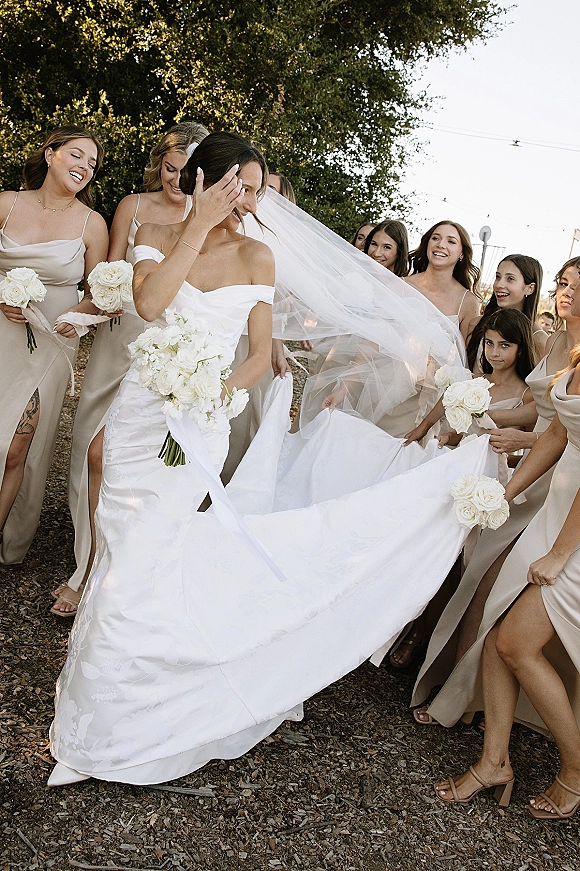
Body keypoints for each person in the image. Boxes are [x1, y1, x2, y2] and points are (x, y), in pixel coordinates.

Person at [49, 132, 497, 787]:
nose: (249, 200)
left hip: (197, 424)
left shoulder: (260, 257)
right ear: (204, 182)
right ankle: (99, 714)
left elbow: (258, 352)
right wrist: (197, 228)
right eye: (239, 187)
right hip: (143, 413)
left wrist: (214, 393)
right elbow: (149, 304)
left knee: (150, 552)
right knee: (120, 541)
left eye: (256, 190)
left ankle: (117, 722)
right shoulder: (158, 236)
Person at [434, 267, 580, 817]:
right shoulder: (574, 357)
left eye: (578, 281)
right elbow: (561, 436)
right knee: (499, 633)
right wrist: (503, 494)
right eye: (563, 281)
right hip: (556, 508)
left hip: (575, 529)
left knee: (517, 643)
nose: (566, 289)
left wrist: (561, 552)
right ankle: (495, 760)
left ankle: (575, 771)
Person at [51, 122, 209, 616]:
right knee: (87, 443)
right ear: (158, 164)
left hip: (171, 346)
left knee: (134, 456)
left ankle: (101, 572)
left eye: (186, 172)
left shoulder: (212, 218)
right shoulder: (133, 207)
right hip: (121, 336)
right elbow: (110, 271)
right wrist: (87, 309)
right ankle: (85, 550)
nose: (175, 180)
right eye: (168, 168)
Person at [0, 126, 109, 566]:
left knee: (14, 447)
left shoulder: (92, 223)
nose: (84, 167)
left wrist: (76, 315)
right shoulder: (6, 204)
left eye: (92, 164)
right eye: (76, 155)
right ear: (50, 154)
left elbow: (102, 293)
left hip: (48, 344)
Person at [405, 220, 481, 344]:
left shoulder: (467, 302)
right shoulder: (401, 285)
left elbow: (468, 357)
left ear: (462, 253)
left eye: (451, 241)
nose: (440, 244)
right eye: (435, 238)